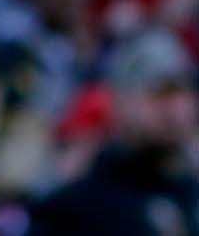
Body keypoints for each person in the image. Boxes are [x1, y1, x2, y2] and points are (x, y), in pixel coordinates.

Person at [23, 30, 198, 234]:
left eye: (184, 93)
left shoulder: (186, 191)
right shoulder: (79, 186)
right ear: (122, 100)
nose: (176, 110)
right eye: (161, 93)